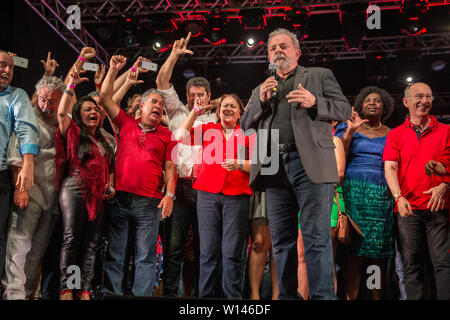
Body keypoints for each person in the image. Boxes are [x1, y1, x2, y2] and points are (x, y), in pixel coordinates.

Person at [240, 28, 351, 300]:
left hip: (309, 165)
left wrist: (315, 102)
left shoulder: (318, 75)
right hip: (274, 166)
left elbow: (344, 110)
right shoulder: (261, 88)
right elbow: (244, 126)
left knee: (316, 239)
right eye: (273, 48)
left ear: (297, 52)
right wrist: (260, 103)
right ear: (267, 56)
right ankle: (289, 297)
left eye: (284, 46)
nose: (278, 50)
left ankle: (323, 297)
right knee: (282, 243)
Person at [100, 55, 177, 297]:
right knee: (117, 251)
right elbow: (104, 98)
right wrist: (113, 69)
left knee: (145, 255)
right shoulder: (125, 124)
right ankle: (113, 294)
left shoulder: (167, 134)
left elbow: (171, 167)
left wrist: (170, 195)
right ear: (140, 107)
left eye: (161, 105)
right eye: (153, 102)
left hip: (150, 202)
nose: (158, 107)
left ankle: (141, 295)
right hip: (121, 199)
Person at [156, 32, 217, 297]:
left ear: (209, 95)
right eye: (192, 95)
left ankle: (202, 297)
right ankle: (171, 293)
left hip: (206, 188)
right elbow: (161, 81)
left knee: (205, 247)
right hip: (179, 186)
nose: (196, 100)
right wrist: (173, 55)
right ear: (186, 95)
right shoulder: (178, 111)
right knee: (174, 245)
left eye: (201, 95)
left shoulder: (217, 117)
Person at [175, 93, 251, 298]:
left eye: (233, 106)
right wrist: (195, 111)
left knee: (232, 252)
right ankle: (205, 298)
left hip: (237, 196)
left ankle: (232, 299)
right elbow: (179, 136)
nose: (228, 109)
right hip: (207, 195)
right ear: (218, 111)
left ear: (240, 113)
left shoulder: (248, 134)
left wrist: (239, 164)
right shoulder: (209, 130)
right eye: (224, 106)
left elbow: (261, 166)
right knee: (207, 251)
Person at [384, 82, 450, 300]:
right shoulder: (395, 134)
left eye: (428, 96)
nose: (424, 101)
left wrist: (445, 185)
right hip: (408, 209)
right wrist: (398, 197)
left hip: (439, 207)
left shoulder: (447, 131)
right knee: (412, 264)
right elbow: (390, 168)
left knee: (442, 263)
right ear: (405, 102)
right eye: (418, 96)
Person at [1, 75, 65, 300]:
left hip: (52, 198)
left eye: (52, 101)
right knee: (18, 248)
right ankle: (12, 295)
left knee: (36, 252)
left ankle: (25, 294)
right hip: (30, 192)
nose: (46, 106)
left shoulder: (61, 123)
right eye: (43, 99)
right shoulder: (28, 118)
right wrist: (21, 189)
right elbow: (15, 154)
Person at [56, 66, 115, 300]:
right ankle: (68, 289)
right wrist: (71, 86)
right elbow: (62, 113)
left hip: (99, 196)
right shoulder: (72, 131)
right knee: (72, 239)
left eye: (96, 110)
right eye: (88, 109)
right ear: (79, 114)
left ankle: (85, 290)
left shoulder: (104, 140)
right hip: (74, 189)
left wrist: (109, 186)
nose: (94, 112)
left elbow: (109, 168)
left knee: (91, 244)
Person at [334, 86, 395, 300]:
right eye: (367, 100)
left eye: (377, 100)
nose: (372, 103)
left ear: (384, 107)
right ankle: (353, 296)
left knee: (376, 253)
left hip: (380, 198)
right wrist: (350, 131)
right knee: (354, 253)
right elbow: (339, 153)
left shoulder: (391, 133)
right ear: (360, 105)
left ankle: (375, 296)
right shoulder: (348, 128)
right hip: (353, 195)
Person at [0, 50, 40, 286]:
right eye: (3, 65)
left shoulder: (17, 96)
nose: (7, 71)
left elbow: (26, 129)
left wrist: (28, 164)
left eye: (11, 67)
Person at [247, 190, 279, 300]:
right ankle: (254, 296)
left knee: (278, 245)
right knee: (258, 243)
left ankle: (277, 296)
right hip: (260, 187)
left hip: (282, 185)